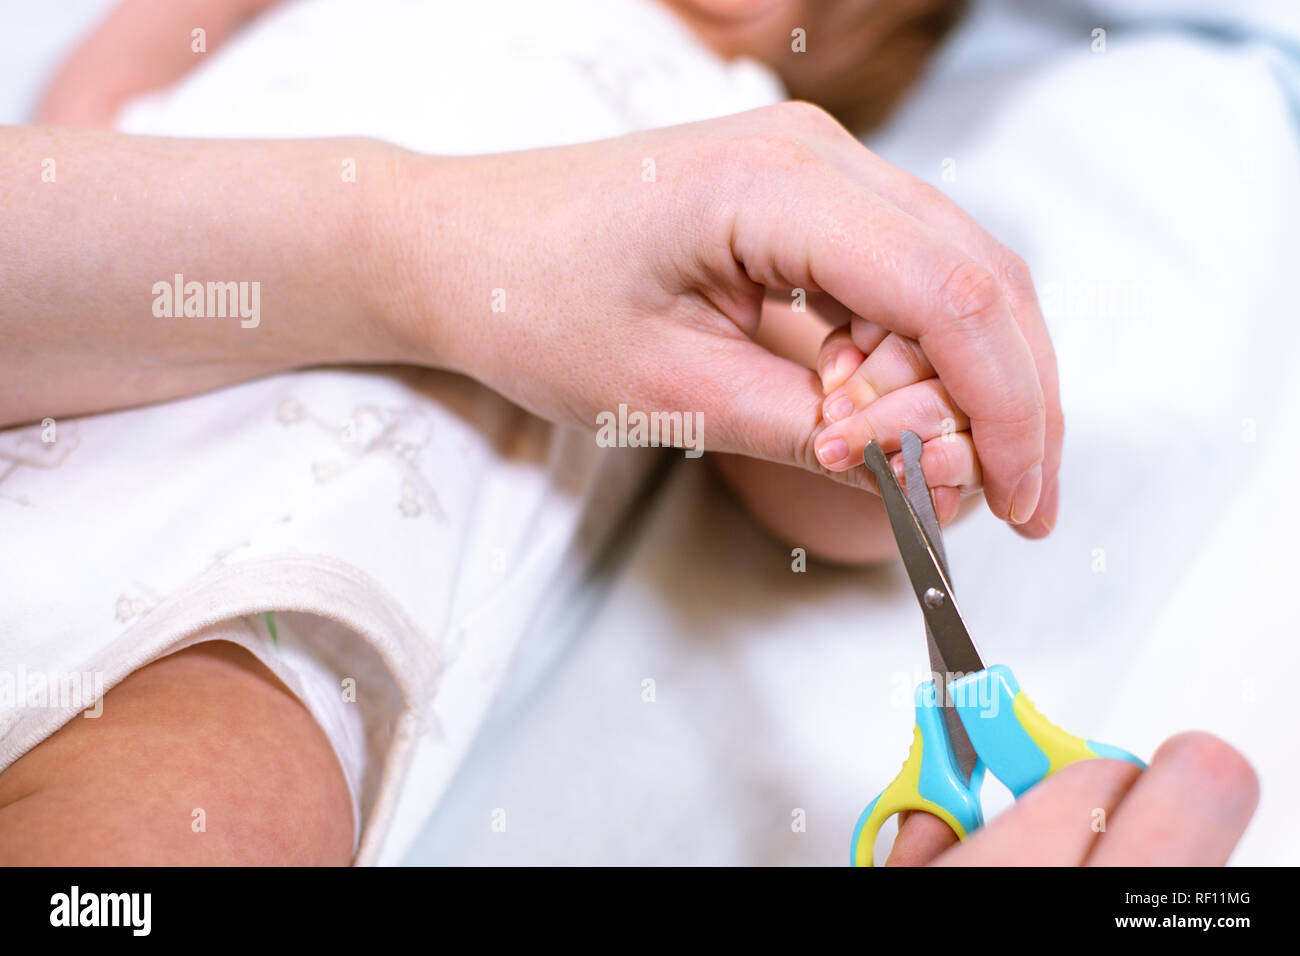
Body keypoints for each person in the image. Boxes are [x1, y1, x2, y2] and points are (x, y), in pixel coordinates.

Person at [0, 0, 1253, 864]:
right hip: (83, 329)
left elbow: (794, 449)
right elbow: (107, 87)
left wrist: (892, 429)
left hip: (267, 609)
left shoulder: (733, 137)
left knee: (186, 818)